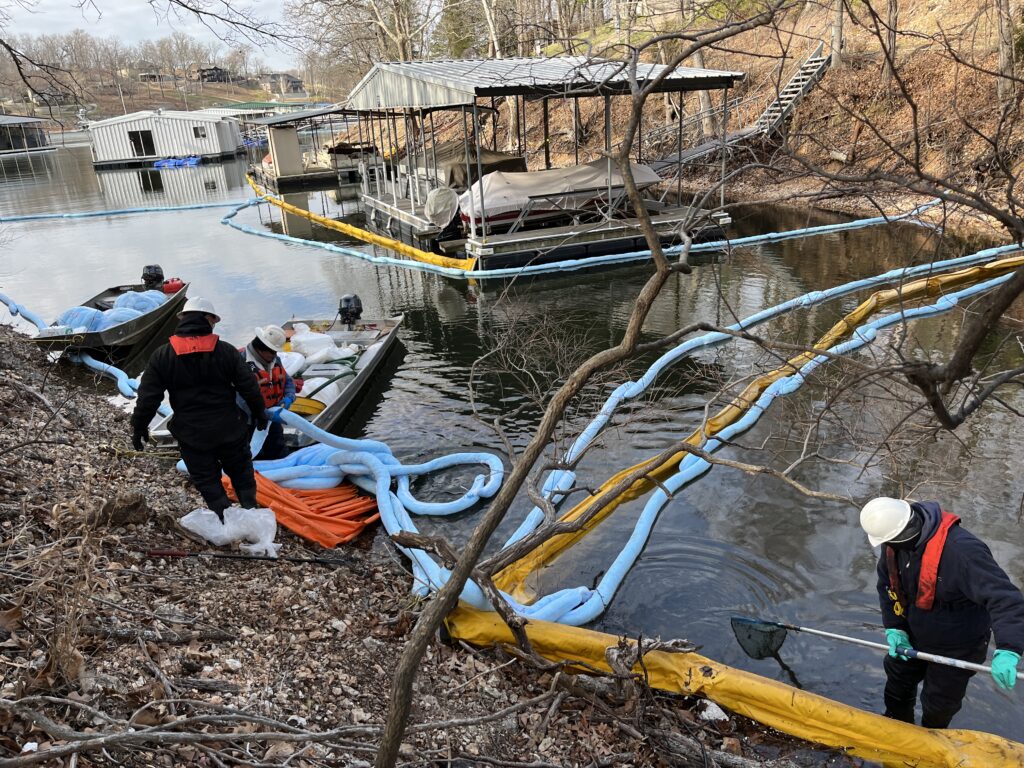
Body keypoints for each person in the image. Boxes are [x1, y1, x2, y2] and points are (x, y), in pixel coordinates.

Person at [860, 497, 1024, 728]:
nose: (886, 545)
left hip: (957, 646)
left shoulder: (963, 552)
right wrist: (895, 627)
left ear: (905, 530)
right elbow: (888, 587)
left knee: (939, 703)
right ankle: (896, 726)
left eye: (889, 541)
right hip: (912, 633)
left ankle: (932, 738)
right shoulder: (893, 545)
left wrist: (1009, 648)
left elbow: (1005, 600)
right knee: (897, 685)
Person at [130, 297, 268, 517]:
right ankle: (250, 510)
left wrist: (139, 427)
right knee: (241, 472)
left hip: (192, 434)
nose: (214, 325)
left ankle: (224, 517)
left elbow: (148, 398)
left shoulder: (162, 355)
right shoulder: (226, 351)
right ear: (207, 319)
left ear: (183, 318)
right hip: (230, 429)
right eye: (214, 320)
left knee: (206, 478)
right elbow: (249, 387)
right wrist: (260, 413)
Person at [239, 324, 295, 460]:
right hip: (248, 421)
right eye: (272, 351)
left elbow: (288, 381)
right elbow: (238, 397)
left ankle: (281, 471)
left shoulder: (275, 360)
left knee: (278, 450)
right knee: (250, 454)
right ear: (260, 348)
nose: (275, 355)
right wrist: (260, 412)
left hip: (272, 416)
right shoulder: (240, 362)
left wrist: (289, 397)